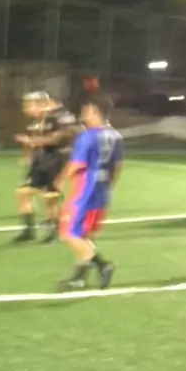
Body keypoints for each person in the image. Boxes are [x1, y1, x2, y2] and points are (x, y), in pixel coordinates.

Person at [57, 93, 123, 290]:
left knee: (68, 234)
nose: (83, 115)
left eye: (86, 111)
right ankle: (79, 278)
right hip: (101, 193)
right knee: (83, 236)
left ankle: (103, 265)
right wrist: (107, 186)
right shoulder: (116, 136)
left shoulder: (87, 137)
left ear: (95, 111)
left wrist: (59, 181)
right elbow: (117, 167)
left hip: (83, 193)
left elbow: (76, 164)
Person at [14, 91, 78, 243]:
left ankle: (54, 231)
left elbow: (57, 139)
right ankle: (29, 231)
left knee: (49, 198)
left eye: (29, 106)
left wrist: (31, 141)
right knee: (23, 192)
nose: (26, 110)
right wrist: (29, 154)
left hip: (58, 159)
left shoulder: (60, 117)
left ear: (42, 104)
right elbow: (32, 140)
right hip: (41, 161)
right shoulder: (35, 121)